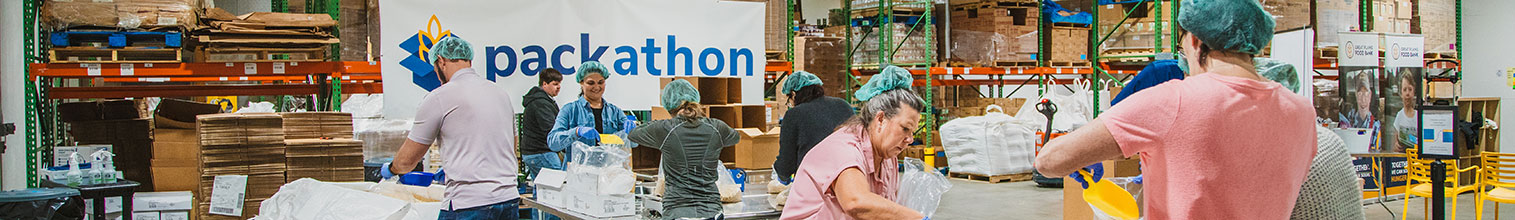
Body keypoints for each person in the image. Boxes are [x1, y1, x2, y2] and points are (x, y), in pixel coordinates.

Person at [1033, 0, 1317, 219]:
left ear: (1194, 41)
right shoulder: (1302, 112)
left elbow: (1049, 162)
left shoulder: (1172, 101)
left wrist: (1105, 148)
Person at [382, 36, 521, 219]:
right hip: (508, 200)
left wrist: (391, 169)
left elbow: (407, 162)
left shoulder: (440, 97)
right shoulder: (500, 93)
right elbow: (511, 146)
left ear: (440, 60)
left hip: (470, 204)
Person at [781, 66, 927, 220]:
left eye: (912, 132)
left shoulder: (888, 158)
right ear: (881, 119)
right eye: (905, 129)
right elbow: (856, 202)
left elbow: (884, 209)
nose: (910, 139)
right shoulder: (844, 149)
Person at [627, 79, 741, 220]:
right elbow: (735, 137)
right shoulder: (716, 127)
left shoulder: (664, 129)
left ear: (669, 106)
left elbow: (633, 134)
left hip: (678, 211)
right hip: (711, 211)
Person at [772, 71, 855, 184]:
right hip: (849, 177)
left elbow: (787, 159)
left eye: (789, 100)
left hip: (813, 183)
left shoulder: (794, 114)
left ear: (794, 94)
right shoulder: (843, 105)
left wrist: (782, 176)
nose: (790, 103)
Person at [548, 61, 636, 162]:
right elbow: (552, 143)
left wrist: (633, 133)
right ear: (581, 83)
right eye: (590, 83)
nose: (596, 87)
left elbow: (633, 144)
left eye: (601, 82)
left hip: (607, 173)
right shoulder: (570, 110)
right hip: (578, 173)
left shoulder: (615, 112)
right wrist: (576, 132)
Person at [521, 68, 564, 178]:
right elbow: (550, 130)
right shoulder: (541, 104)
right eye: (555, 84)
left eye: (559, 84)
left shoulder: (541, 101)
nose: (559, 87)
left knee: (541, 190)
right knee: (554, 188)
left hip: (533, 153)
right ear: (544, 84)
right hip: (542, 152)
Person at [1393, 71, 1419, 152]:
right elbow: (1396, 140)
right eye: (1404, 90)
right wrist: (1396, 145)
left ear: (1414, 91)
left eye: (1410, 89)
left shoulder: (1418, 116)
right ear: (1401, 93)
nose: (1407, 93)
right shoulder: (1399, 116)